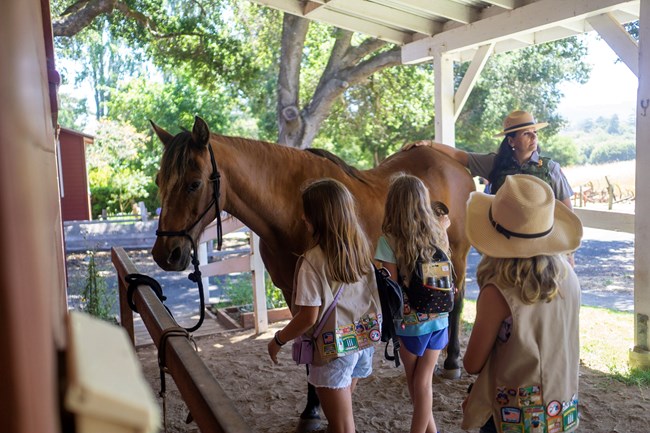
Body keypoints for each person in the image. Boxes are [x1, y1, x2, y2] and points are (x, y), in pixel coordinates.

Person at [461, 174, 583, 433]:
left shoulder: (498, 291)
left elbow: (472, 363)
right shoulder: (568, 276)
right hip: (561, 408)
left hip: (512, 415)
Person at [267, 178, 381, 433]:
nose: (302, 216)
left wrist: (278, 340)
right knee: (340, 417)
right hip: (362, 340)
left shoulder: (312, 261)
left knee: (342, 426)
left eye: (306, 211)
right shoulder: (360, 250)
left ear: (318, 217)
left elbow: (308, 317)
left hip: (333, 350)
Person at [374, 173, 451, 433]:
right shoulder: (437, 234)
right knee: (424, 381)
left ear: (393, 205)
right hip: (439, 317)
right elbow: (444, 269)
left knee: (416, 383)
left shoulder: (388, 240)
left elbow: (392, 285)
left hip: (410, 323)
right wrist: (444, 230)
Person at [407, 110, 574, 211]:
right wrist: (429, 144)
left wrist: (569, 249)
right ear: (511, 141)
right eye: (526, 133)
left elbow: (567, 208)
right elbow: (460, 156)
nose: (534, 137)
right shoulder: (495, 163)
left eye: (534, 132)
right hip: (504, 238)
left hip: (542, 240)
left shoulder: (550, 168)